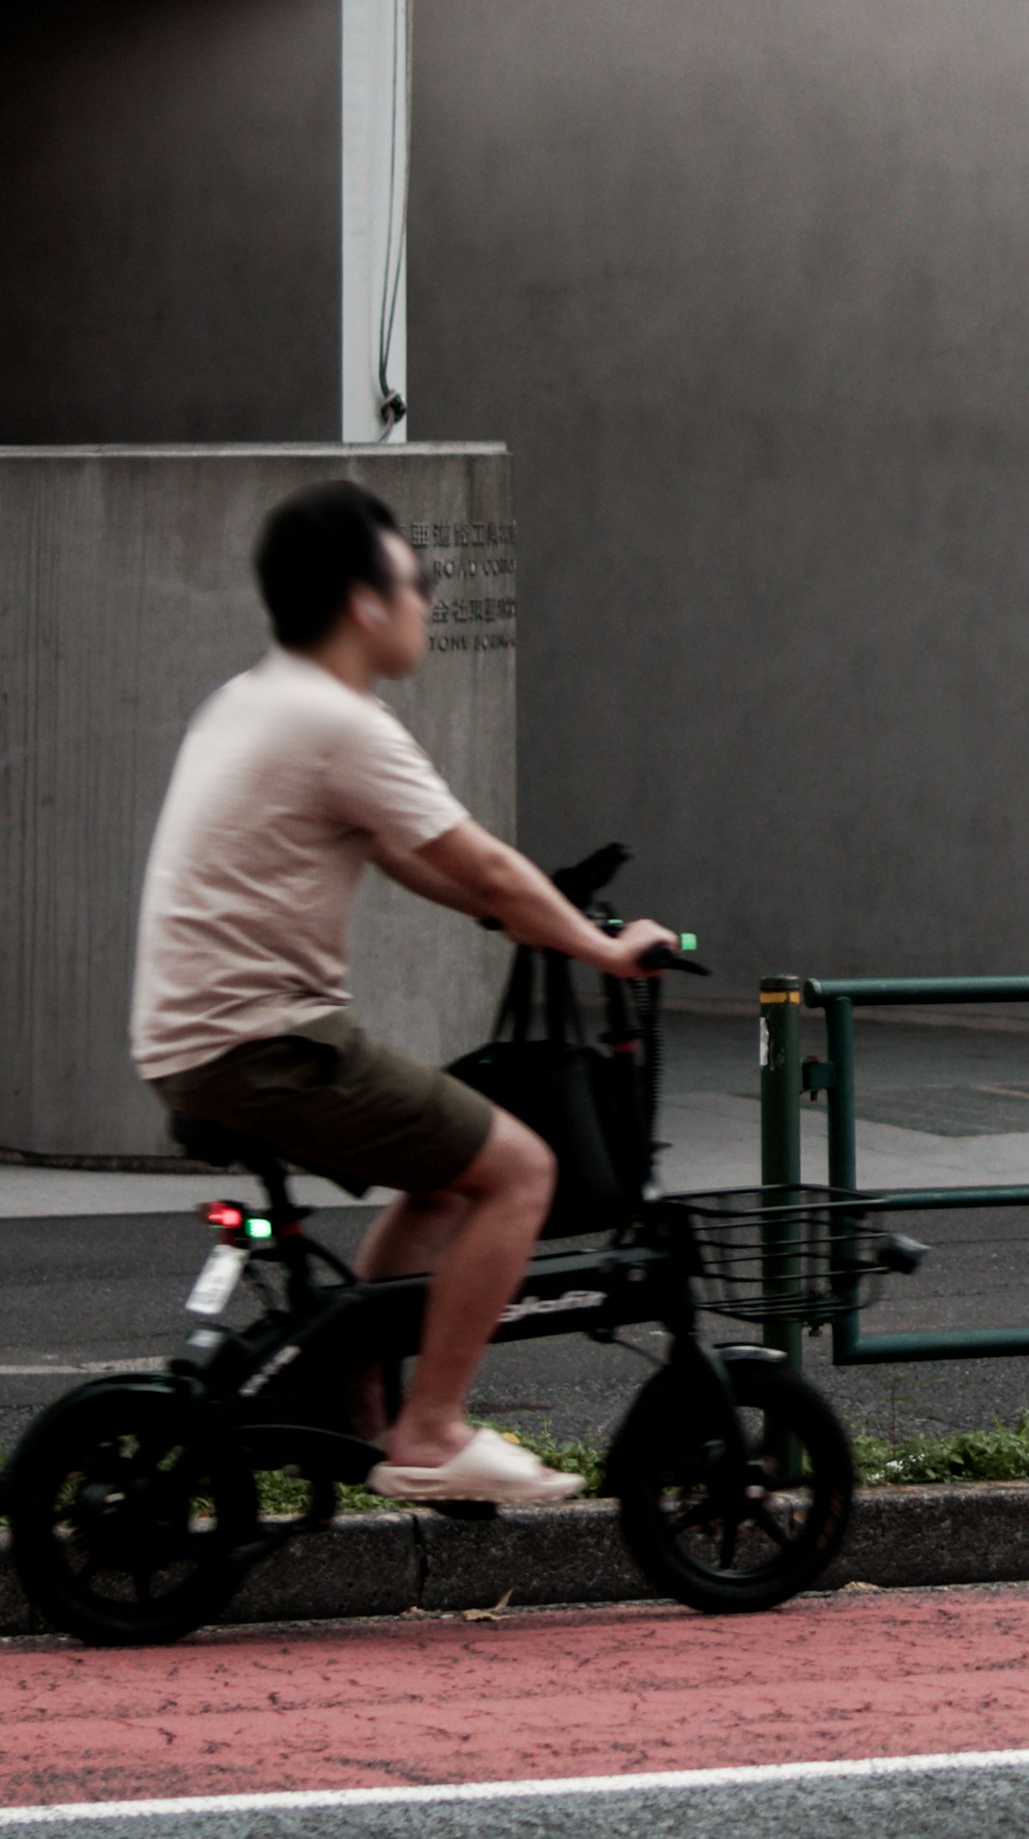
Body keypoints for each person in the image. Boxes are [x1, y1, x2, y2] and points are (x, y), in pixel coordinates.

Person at [129, 480, 678, 1504]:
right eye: (416, 580)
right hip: (266, 1044)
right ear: (365, 602)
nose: (427, 598)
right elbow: (486, 869)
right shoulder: (340, 720)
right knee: (519, 1169)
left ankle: (364, 1410)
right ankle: (430, 1430)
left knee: (443, 1180)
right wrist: (604, 950)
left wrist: (522, 914)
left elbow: (413, 858)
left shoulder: (256, 697)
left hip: (200, 1042)